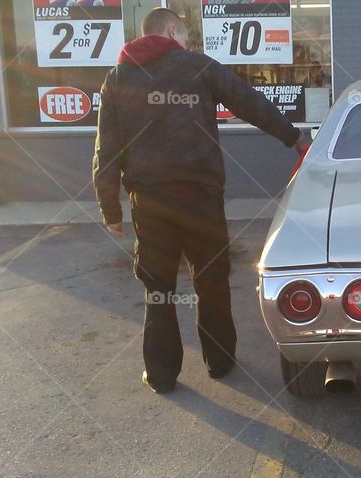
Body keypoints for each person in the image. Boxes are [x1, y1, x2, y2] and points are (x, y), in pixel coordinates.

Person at [92, 8, 308, 393]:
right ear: (173, 30)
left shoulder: (117, 78)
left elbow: (106, 151)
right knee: (211, 279)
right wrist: (291, 137)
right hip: (200, 197)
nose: (188, 46)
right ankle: (220, 362)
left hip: (150, 202)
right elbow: (247, 100)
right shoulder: (197, 66)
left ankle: (160, 376)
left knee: (157, 287)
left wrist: (111, 209)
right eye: (186, 38)